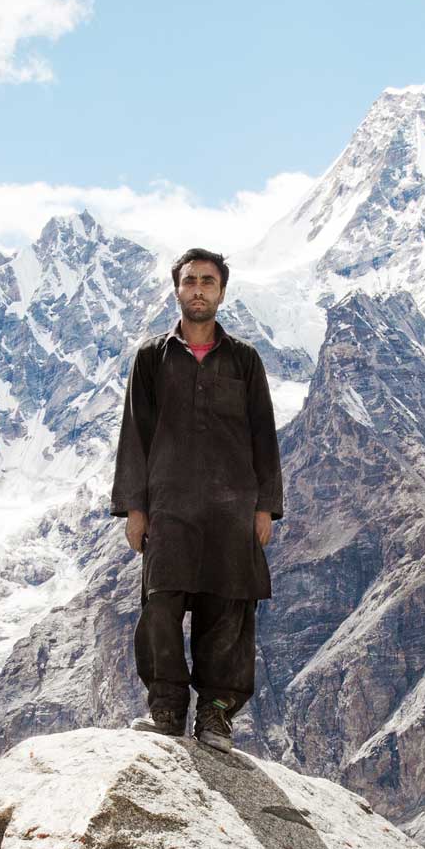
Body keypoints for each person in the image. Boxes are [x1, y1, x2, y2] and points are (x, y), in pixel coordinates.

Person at [109, 246, 283, 752]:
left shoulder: (245, 361)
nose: (199, 290)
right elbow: (135, 435)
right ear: (177, 289)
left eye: (208, 281)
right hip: (170, 507)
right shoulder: (151, 358)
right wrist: (135, 508)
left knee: (228, 612)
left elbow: (263, 436)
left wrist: (265, 506)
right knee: (161, 606)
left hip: (233, 511)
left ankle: (216, 715)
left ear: (222, 292)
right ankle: (165, 708)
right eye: (190, 281)